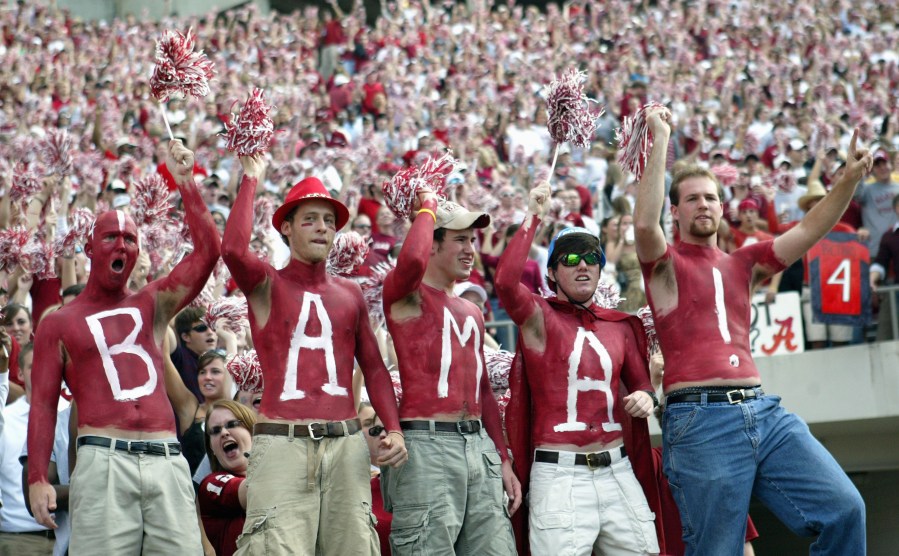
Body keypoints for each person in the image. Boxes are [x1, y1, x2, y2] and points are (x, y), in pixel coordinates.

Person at [632, 106, 868, 555]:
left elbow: (809, 229)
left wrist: (848, 181)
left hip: (765, 411)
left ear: (723, 208)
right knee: (718, 549)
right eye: (693, 198)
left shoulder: (744, 263)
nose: (704, 204)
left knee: (845, 509)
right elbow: (644, 223)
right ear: (676, 212)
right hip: (700, 421)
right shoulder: (666, 267)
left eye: (711, 197)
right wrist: (660, 136)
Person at [27, 140, 219, 554]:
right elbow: (42, 403)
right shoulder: (59, 323)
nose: (122, 246)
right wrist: (38, 476)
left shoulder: (152, 303)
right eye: (111, 237)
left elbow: (208, 253)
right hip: (102, 459)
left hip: (167, 458)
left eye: (130, 239)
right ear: (90, 248)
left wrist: (185, 182)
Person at [221, 156, 406, 556]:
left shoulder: (350, 293)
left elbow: (374, 367)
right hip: (283, 442)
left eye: (329, 220)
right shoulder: (268, 285)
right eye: (310, 219)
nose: (323, 227)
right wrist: (251, 176)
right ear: (286, 227)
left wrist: (393, 428)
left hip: (346, 445)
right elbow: (233, 249)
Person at [496, 182, 661, 555]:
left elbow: (643, 386)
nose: (582, 264)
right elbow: (506, 283)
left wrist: (645, 398)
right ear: (551, 273)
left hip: (618, 470)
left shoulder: (620, 326)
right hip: (559, 475)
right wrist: (533, 216)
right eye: (570, 258)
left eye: (591, 257)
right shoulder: (539, 318)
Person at [381, 193, 521, 555]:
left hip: (478, 446)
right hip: (426, 446)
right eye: (460, 239)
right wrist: (427, 206)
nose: (470, 249)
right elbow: (410, 259)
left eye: (472, 240)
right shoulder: (406, 298)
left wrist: (502, 458)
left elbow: (484, 392)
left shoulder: (471, 311)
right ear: (432, 244)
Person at [198, 400, 257, 556]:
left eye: (232, 424)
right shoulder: (211, 484)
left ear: (253, 432)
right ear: (212, 448)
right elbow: (255, 492)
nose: (224, 433)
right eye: (215, 431)